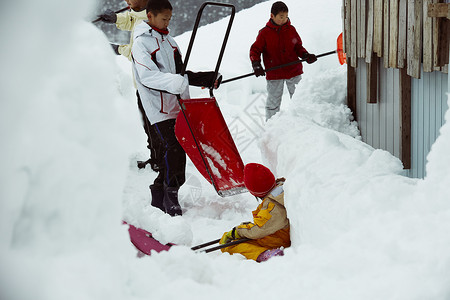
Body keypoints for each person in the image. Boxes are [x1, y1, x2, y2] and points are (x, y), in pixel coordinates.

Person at [132, 0, 221, 216]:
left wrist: (207, 78)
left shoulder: (170, 42)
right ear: (150, 16)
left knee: (175, 151)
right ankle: (170, 195)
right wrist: (175, 83)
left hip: (176, 104)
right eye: (164, 18)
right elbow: (147, 76)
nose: (167, 22)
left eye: (169, 18)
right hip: (156, 106)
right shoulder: (141, 43)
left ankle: (160, 194)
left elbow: (180, 74)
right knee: (172, 149)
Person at [97, 0, 164, 172]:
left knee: (154, 126)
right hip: (145, 86)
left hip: (151, 87)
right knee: (150, 126)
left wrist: (118, 49)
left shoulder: (149, 21)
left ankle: (160, 161)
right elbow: (132, 19)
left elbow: (138, 53)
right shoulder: (145, 15)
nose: (127, 1)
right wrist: (116, 19)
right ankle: (157, 157)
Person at [250, 1, 317, 121]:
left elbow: (298, 47)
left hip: (293, 70)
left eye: (286, 16)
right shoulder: (265, 33)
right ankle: (272, 126)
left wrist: (306, 55)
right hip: (274, 72)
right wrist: (256, 65)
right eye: (281, 17)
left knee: (299, 99)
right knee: (273, 103)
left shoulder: (291, 29)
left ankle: (304, 124)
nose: (284, 19)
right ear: (272, 16)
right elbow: (255, 50)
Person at [219, 163, 290, 262]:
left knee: (231, 246)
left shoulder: (271, 206)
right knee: (241, 239)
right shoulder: (281, 189)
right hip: (276, 233)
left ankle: (265, 254)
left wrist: (237, 231)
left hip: (277, 239)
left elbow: (259, 229)